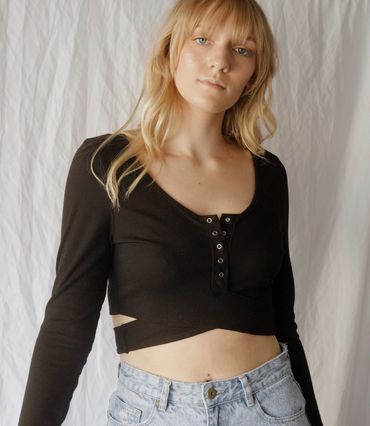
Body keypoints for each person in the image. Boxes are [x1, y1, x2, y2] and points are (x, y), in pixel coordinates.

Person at [18, 0, 324, 425]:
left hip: (271, 407)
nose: (220, 62)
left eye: (242, 50)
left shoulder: (268, 173)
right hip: (154, 411)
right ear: (170, 50)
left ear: (254, 72)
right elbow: (69, 321)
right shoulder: (108, 164)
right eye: (202, 40)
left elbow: (283, 321)